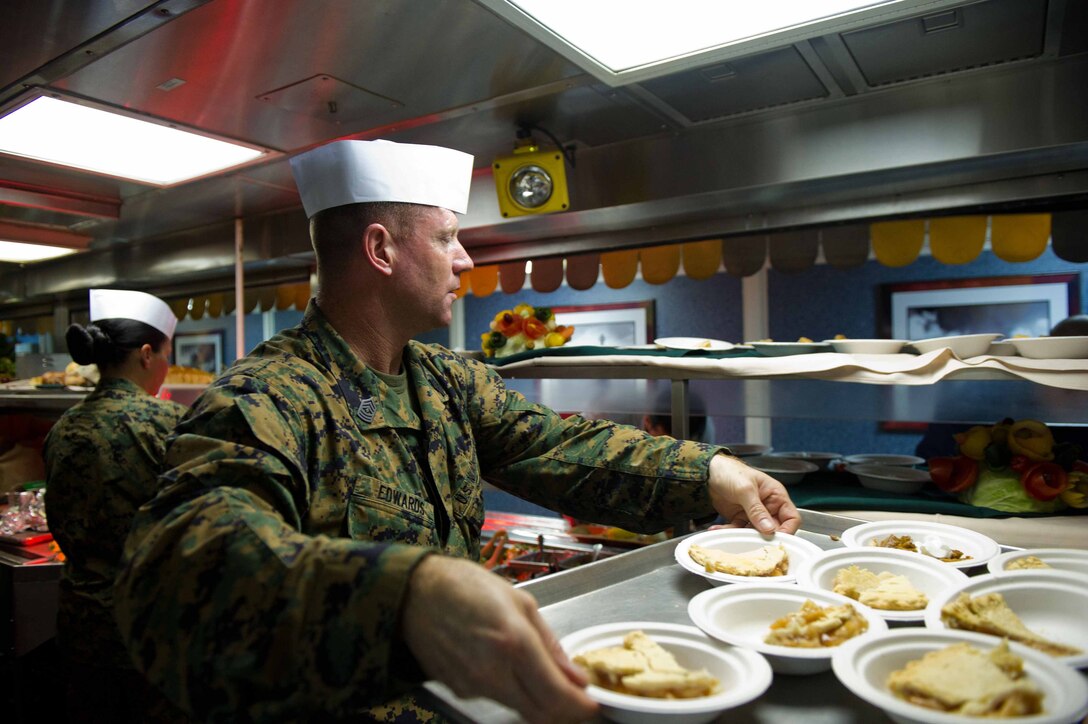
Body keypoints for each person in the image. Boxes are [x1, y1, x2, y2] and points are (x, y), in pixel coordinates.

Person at [113, 139, 801, 723]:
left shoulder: (444, 380)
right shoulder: (269, 396)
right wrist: (403, 596)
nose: (466, 259)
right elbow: (179, 575)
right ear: (380, 249)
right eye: (446, 237)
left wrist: (709, 473)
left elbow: (559, 447)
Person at [43, 289, 189, 723]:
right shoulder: (168, 425)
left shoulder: (64, 428)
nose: (167, 366)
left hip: (79, 627)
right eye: (167, 355)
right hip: (149, 629)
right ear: (147, 354)